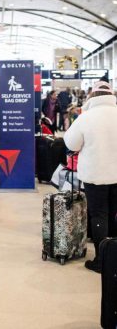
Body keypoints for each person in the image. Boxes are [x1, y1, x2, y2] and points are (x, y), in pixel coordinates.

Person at [64, 81, 117, 273]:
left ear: (92, 97)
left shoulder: (87, 118)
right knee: (113, 213)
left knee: (99, 214)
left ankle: (102, 260)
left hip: (95, 174)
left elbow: (72, 143)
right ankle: (114, 255)